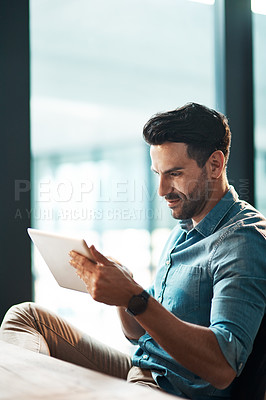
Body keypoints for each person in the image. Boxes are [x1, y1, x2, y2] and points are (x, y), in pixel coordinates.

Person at [1, 103, 265, 399]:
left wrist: (134, 298)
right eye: (158, 173)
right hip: (140, 369)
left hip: (165, 389)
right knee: (27, 318)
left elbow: (222, 367)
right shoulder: (186, 228)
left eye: (175, 173)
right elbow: (139, 332)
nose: (162, 190)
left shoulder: (243, 241)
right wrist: (123, 289)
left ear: (215, 165)